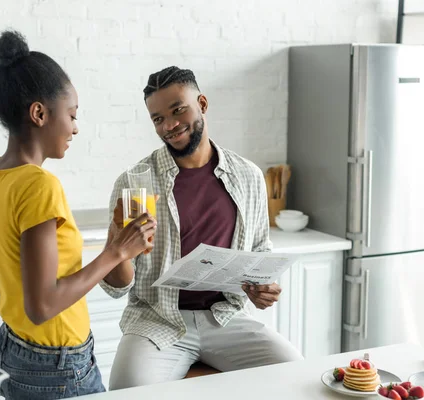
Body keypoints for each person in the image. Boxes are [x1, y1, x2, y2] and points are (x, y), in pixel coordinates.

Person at [0, 30, 156, 399]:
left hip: (13, 348)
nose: (76, 127)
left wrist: (7, 257)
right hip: (56, 367)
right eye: (72, 114)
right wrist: (116, 252)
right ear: (39, 113)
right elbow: (43, 306)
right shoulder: (39, 186)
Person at [101, 66, 303, 390]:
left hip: (226, 318)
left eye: (177, 110)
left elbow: (260, 249)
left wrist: (264, 286)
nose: (169, 125)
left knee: (297, 377)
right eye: (157, 119)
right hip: (157, 321)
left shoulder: (248, 176)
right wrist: (118, 250)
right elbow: (116, 287)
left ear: (203, 104)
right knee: (125, 392)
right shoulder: (135, 182)